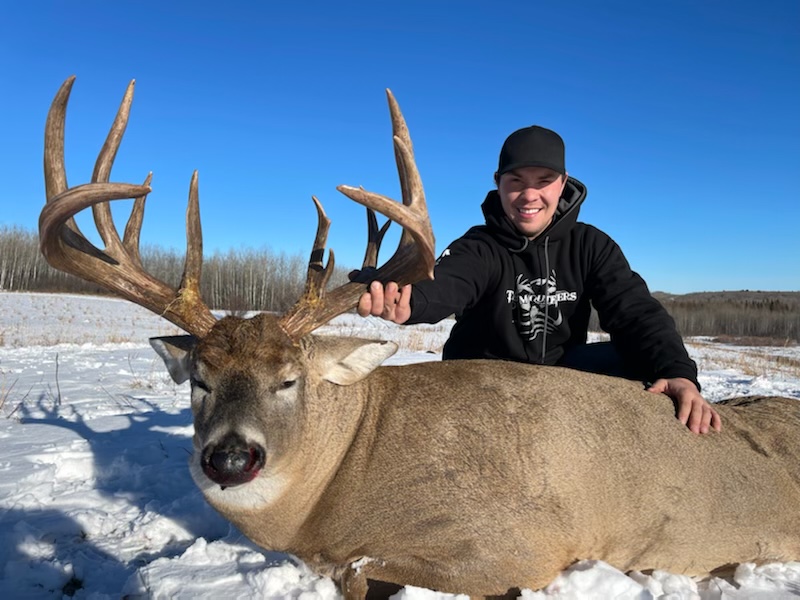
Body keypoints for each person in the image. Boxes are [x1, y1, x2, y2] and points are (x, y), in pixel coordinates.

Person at [357, 124, 722, 435]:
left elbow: (636, 312)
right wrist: (410, 300)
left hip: (559, 378)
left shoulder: (590, 246)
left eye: (544, 181)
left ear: (562, 184)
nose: (529, 195)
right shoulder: (479, 247)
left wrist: (678, 373)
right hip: (484, 379)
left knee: (644, 363)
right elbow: (449, 284)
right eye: (516, 181)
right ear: (498, 183)